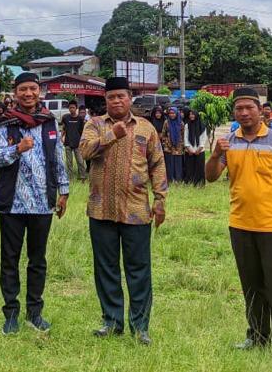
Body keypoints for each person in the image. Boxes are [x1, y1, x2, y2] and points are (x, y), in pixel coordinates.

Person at [205, 87, 272, 369]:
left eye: (249, 107)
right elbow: (211, 177)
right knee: (251, 285)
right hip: (239, 224)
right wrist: (214, 156)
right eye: (239, 109)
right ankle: (256, 335)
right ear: (234, 112)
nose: (244, 113)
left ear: (261, 110)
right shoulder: (228, 143)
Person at [80, 76, 167, 346]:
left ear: (130, 98)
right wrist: (110, 136)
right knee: (106, 268)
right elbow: (84, 152)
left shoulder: (146, 128)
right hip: (101, 210)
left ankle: (140, 327)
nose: (116, 101)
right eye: (111, 97)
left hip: (137, 211)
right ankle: (112, 321)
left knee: (139, 269)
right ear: (105, 100)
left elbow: (158, 164)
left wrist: (160, 199)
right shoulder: (94, 125)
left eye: (121, 96)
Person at [0, 72, 70, 334]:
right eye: (23, 89)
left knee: (38, 260)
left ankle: (35, 313)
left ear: (39, 91)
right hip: (12, 204)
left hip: (42, 204)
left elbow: (58, 159)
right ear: (15, 92)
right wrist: (17, 149)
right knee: (9, 260)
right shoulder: (5, 123)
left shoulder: (49, 122)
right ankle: (10, 314)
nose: (28, 94)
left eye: (32, 89)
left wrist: (64, 191)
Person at [61, 101, 88, 181]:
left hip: (77, 143)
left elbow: (82, 131)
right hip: (68, 142)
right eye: (70, 108)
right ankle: (70, 178)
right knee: (69, 162)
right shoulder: (65, 117)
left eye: (73, 107)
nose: (71, 109)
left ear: (76, 108)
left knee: (80, 161)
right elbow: (64, 128)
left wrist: (83, 141)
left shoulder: (80, 119)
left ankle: (82, 177)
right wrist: (61, 137)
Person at [182, 108, 207, 186]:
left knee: (199, 167)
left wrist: (199, 149)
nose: (191, 116)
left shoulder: (202, 125)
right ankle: (189, 182)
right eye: (190, 114)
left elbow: (203, 138)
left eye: (193, 114)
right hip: (189, 150)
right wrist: (189, 149)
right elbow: (185, 137)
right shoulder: (187, 125)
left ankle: (199, 183)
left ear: (196, 115)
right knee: (189, 167)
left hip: (200, 150)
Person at [161, 107, 184, 183]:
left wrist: (182, 145)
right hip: (168, 147)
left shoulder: (181, 123)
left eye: (173, 113)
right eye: (170, 113)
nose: (172, 115)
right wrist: (165, 143)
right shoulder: (166, 122)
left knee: (178, 164)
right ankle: (170, 180)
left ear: (176, 113)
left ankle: (178, 179)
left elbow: (183, 135)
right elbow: (163, 134)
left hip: (178, 147)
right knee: (169, 163)